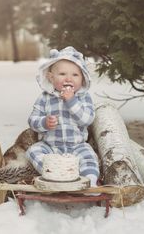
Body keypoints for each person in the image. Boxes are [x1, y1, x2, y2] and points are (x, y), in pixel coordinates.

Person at [26, 46, 100, 188]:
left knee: (89, 157)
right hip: (51, 147)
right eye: (62, 74)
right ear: (51, 77)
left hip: (77, 146)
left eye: (75, 75)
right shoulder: (45, 98)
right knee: (33, 151)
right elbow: (32, 120)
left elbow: (87, 119)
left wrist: (71, 101)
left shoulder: (83, 97)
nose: (68, 78)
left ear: (83, 79)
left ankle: (90, 182)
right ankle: (53, 173)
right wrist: (44, 123)